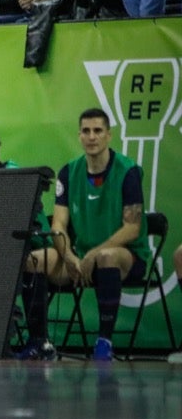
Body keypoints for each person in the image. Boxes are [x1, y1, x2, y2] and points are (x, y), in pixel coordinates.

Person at [19, 108, 149, 363]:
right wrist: (68, 256)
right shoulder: (69, 172)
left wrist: (94, 253)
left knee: (107, 256)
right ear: (79, 136)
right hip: (80, 259)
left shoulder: (128, 171)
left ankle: (104, 343)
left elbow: (132, 228)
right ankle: (39, 342)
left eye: (98, 131)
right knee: (34, 259)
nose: (92, 137)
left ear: (109, 136)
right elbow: (58, 223)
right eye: (86, 131)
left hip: (125, 258)